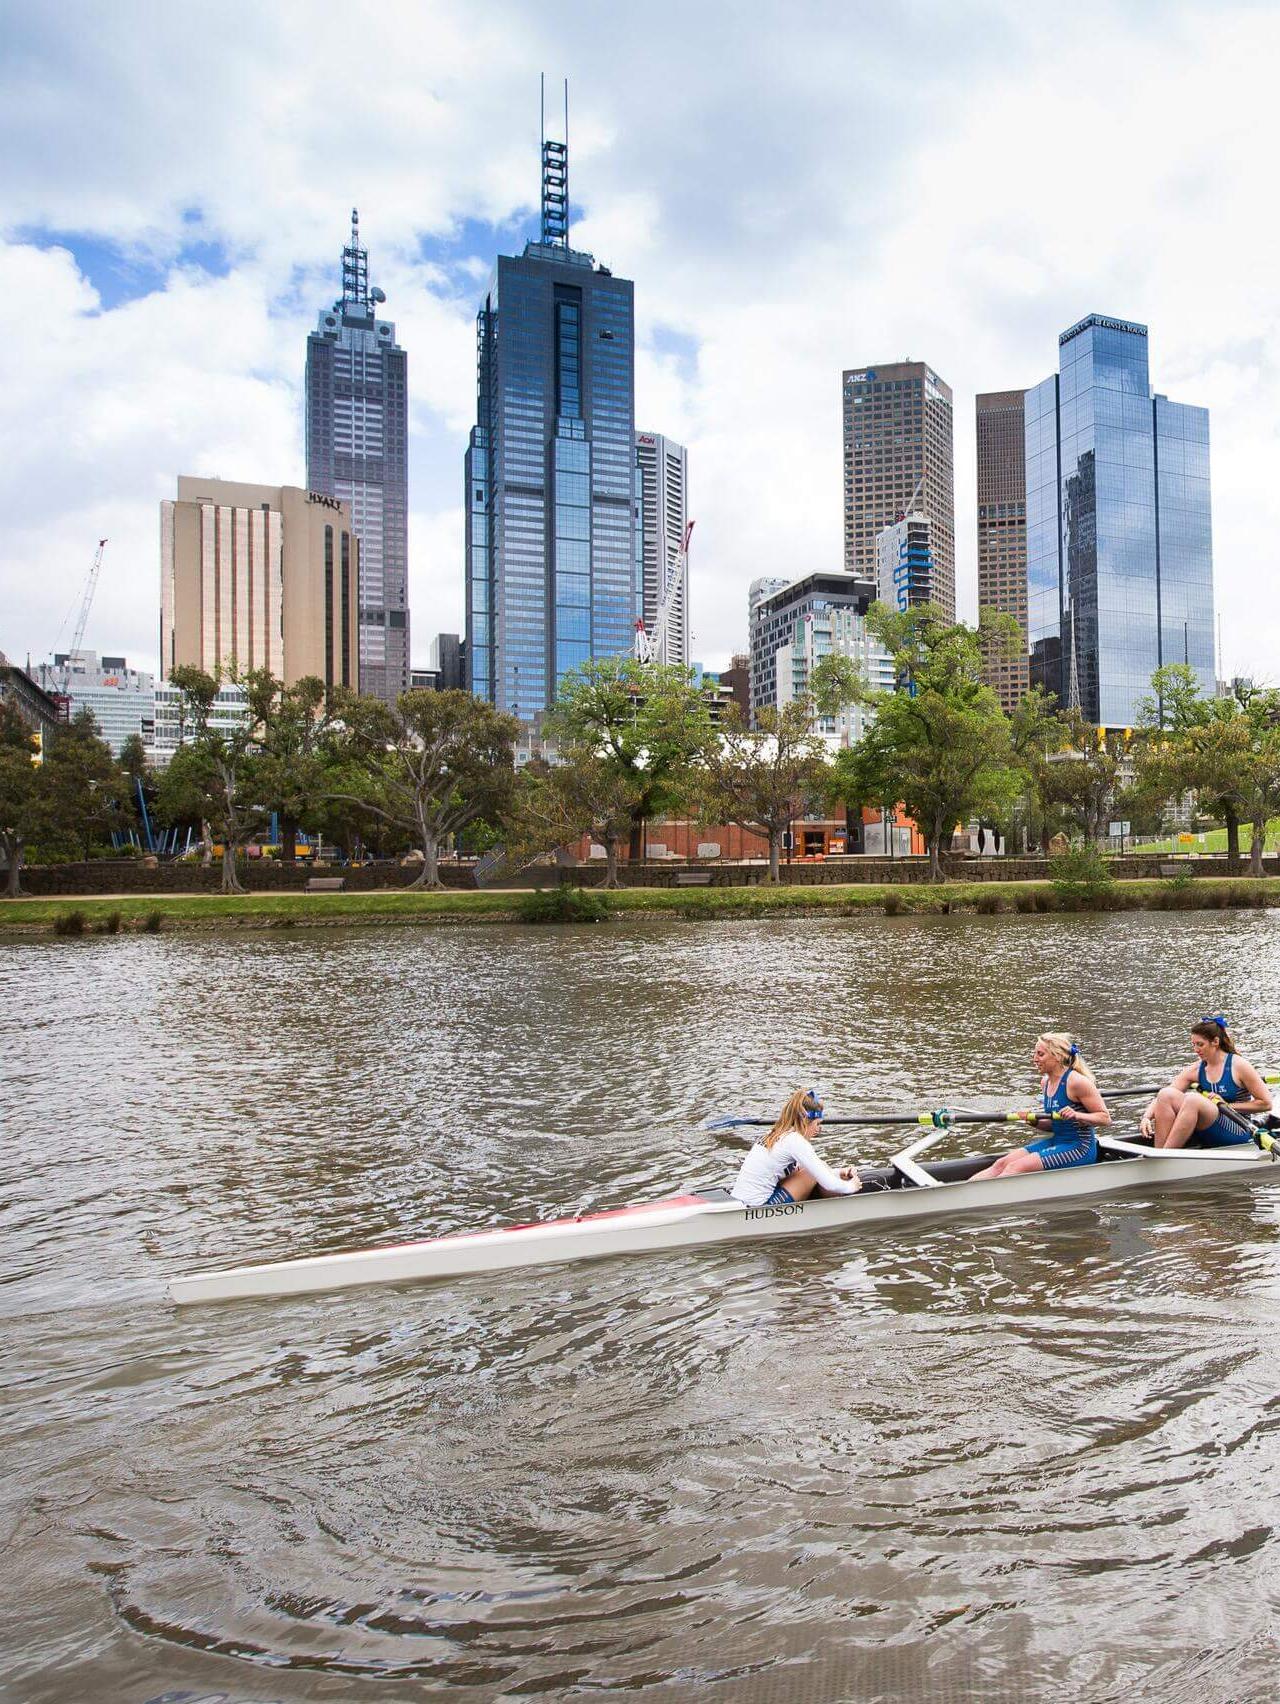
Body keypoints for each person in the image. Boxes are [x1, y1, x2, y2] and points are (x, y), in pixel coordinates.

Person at [972, 1033, 1111, 1178]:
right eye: (1035, 1054)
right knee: (1001, 1164)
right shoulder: (1045, 1082)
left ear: (1056, 1056)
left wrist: (1077, 1115)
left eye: (1040, 1054)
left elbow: (1105, 1118)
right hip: (1058, 1141)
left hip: (1080, 1147)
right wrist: (1034, 1121)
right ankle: (966, 1193)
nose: (1035, 1059)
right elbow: (1053, 1125)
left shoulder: (1076, 1082)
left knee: (1015, 1168)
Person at [1139, 1016, 1272, 1148]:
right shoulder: (1197, 1068)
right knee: (1166, 1094)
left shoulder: (1239, 1066)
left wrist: (1228, 1105)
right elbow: (1164, 1096)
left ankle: (1167, 1156)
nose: (1196, 1050)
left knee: (1193, 1099)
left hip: (1238, 1127)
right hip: (1211, 1123)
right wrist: (1146, 1117)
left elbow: (1266, 1104)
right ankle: (1159, 1152)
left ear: (1215, 1041)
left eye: (1200, 1044)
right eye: (1194, 1044)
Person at [730, 1088, 863, 1206]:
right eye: (817, 1124)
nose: (818, 1130)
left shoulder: (774, 1133)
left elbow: (807, 1168)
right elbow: (828, 1183)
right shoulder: (795, 1141)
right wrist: (851, 1186)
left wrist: (838, 1172)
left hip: (741, 1200)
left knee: (808, 1169)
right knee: (809, 1174)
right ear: (806, 1122)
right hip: (758, 1209)